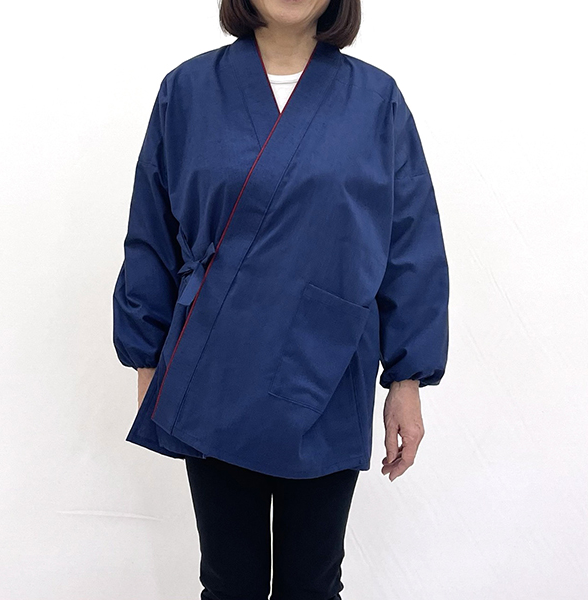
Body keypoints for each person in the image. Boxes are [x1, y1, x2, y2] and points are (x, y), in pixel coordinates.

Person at [112, 0, 450, 597]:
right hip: (217, 363)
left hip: (329, 364)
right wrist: (147, 359)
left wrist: (407, 378)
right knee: (229, 581)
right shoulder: (186, 92)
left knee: (313, 582)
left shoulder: (377, 100)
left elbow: (409, 242)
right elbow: (152, 232)